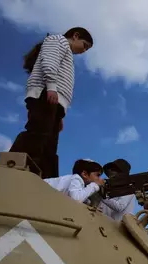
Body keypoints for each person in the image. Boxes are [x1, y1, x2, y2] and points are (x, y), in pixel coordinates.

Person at [9, 27, 94, 179]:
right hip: (45, 94)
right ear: (75, 36)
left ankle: (47, 178)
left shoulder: (67, 52)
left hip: (55, 102)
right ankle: (13, 165)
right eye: (85, 45)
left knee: (50, 144)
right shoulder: (58, 40)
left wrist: (60, 116)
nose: (84, 50)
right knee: (38, 134)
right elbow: (49, 62)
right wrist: (51, 87)